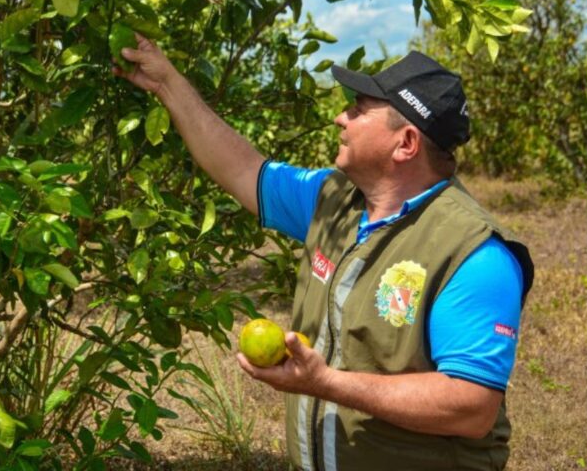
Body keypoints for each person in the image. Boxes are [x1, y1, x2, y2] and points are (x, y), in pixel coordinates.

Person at [113, 34, 534, 471]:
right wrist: (167, 83)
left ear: (406, 143)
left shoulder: (475, 254)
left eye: (358, 109)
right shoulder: (334, 201)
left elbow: (470, 406)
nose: (340, 118)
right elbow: (242, 168)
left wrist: (325, 383)